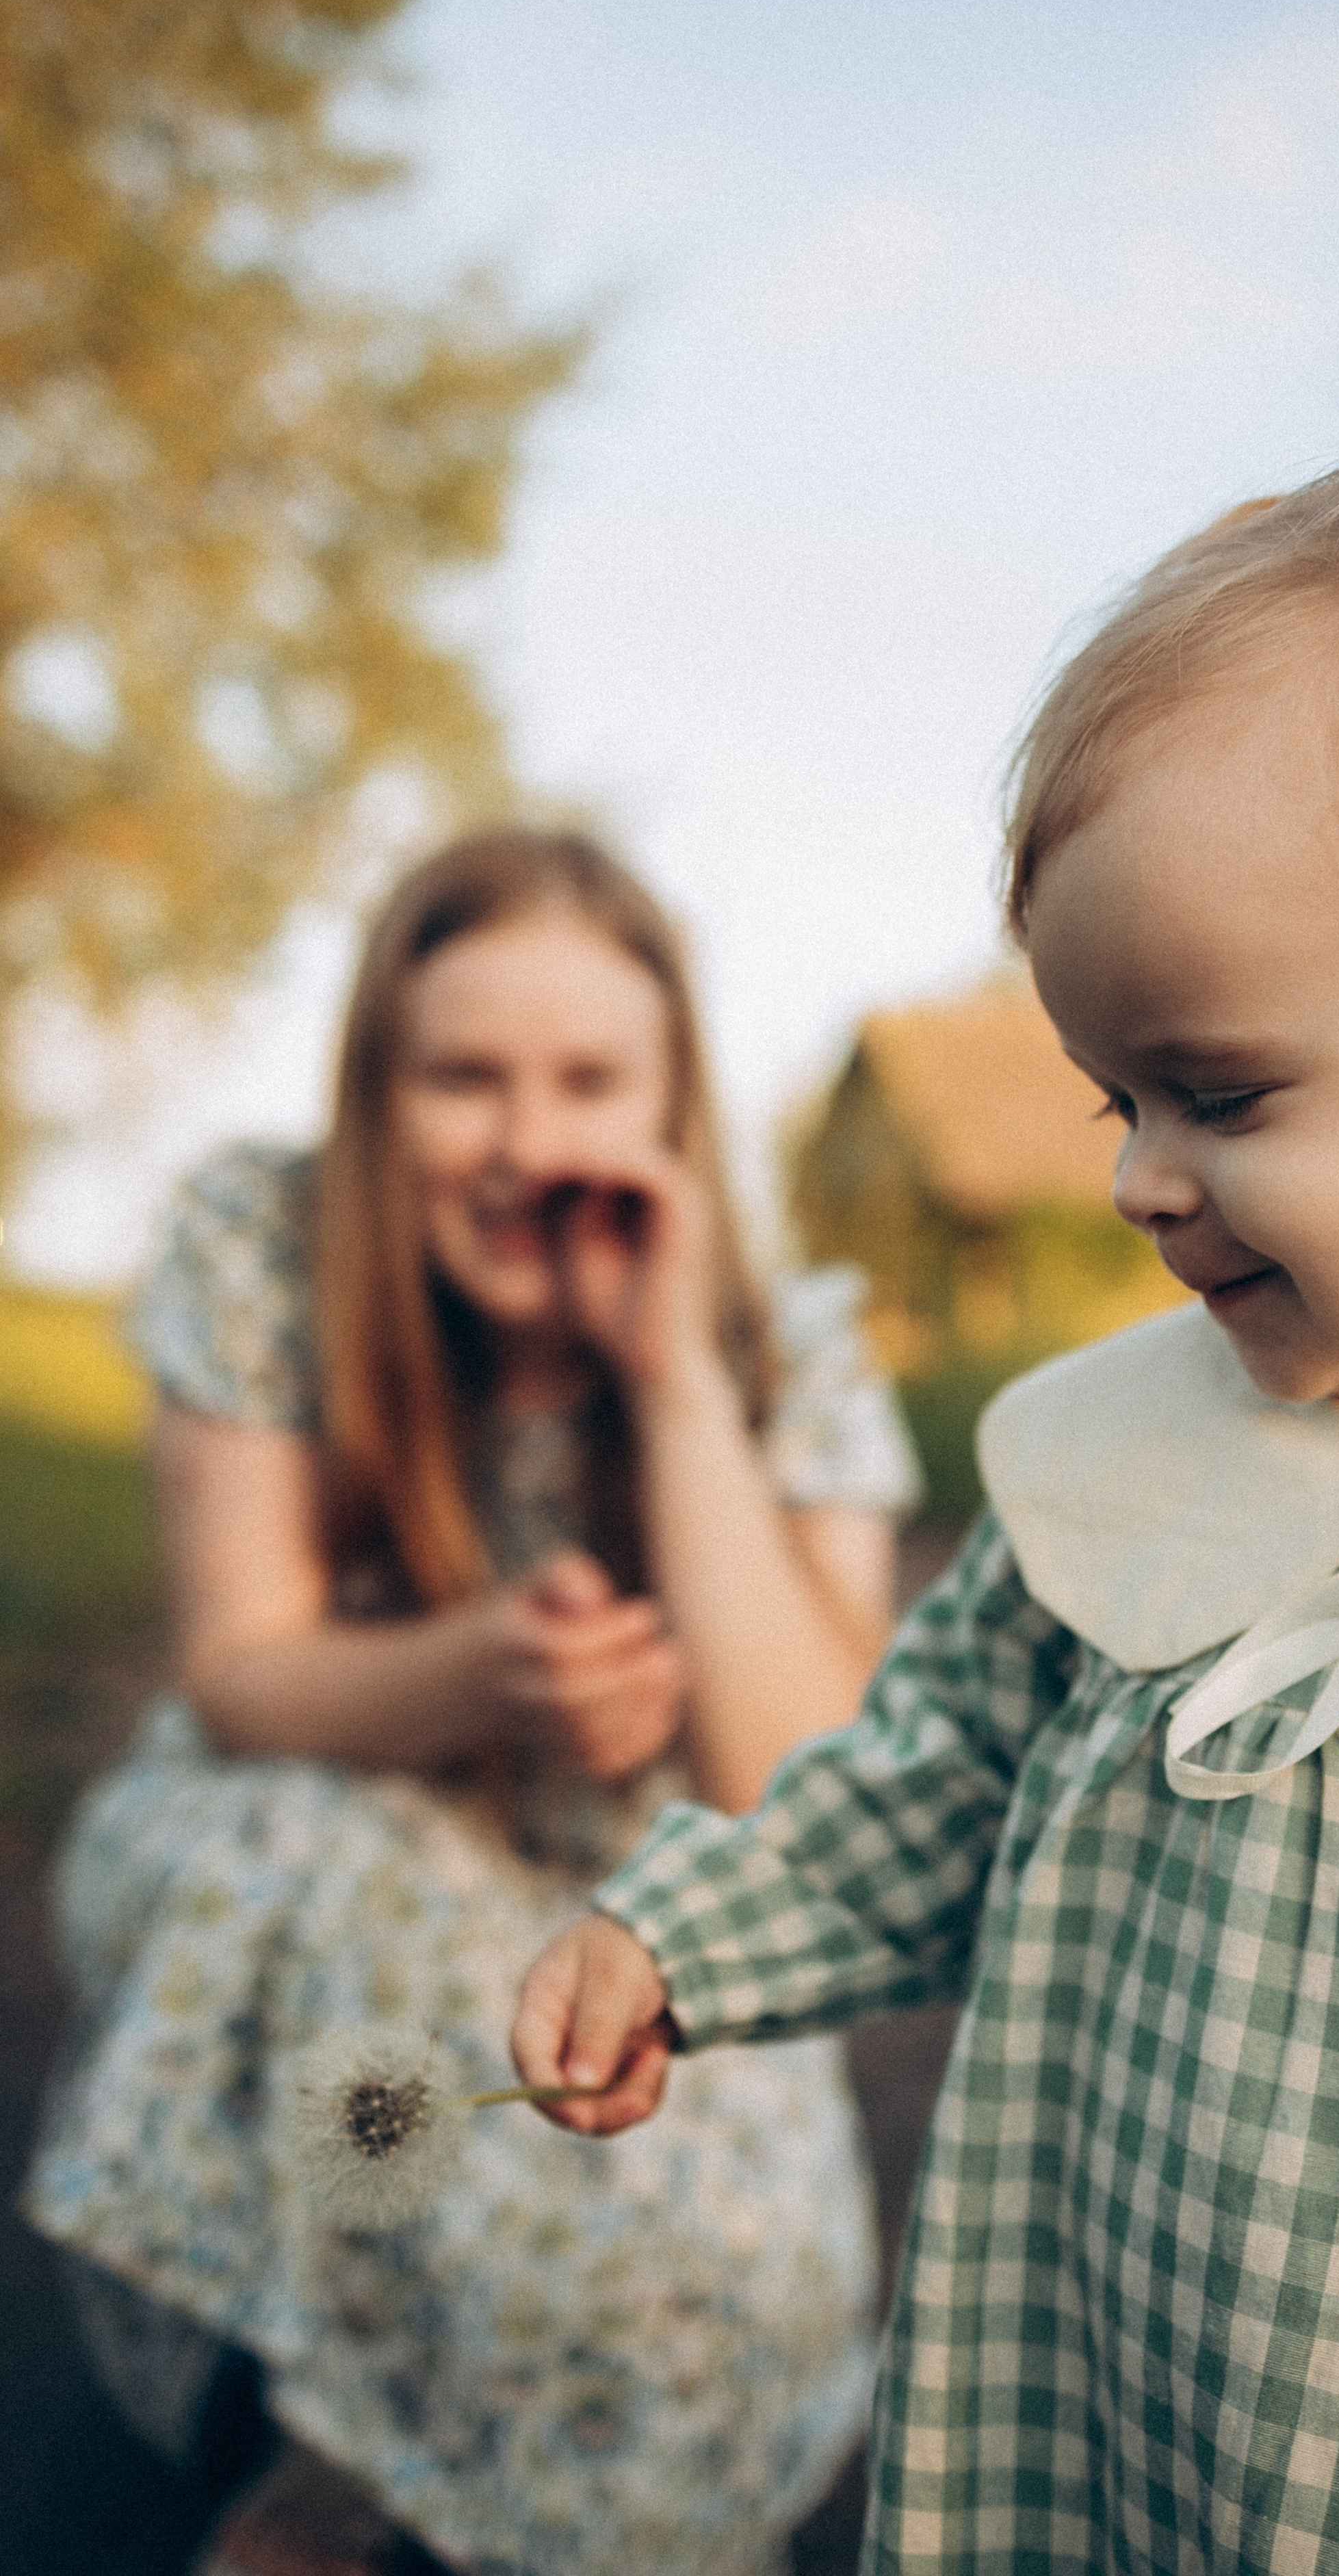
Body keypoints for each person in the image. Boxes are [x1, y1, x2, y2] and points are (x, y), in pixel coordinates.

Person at [512, 337, 1339, 2575]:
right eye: (1121, 1099)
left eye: (1225, 1093)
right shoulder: (1142, 1463)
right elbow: (924, 1783)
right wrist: (682, 1935)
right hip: (1097, 2468)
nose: (1139, 1182)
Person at [28, 827, 922, 2576]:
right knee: (338, 1909)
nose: (524, 1145)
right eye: (464, 1080)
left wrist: (670, 1380)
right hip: (340, 1801)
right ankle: (330, 2469)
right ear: (377, 1087)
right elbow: (243, 1672)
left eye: (587, 1083)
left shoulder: (782, 1342)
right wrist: (481, 1676)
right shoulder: (266, 1247)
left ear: (671, 1102)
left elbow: (797, 1790)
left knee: (688, 2234)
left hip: (638, 1869)